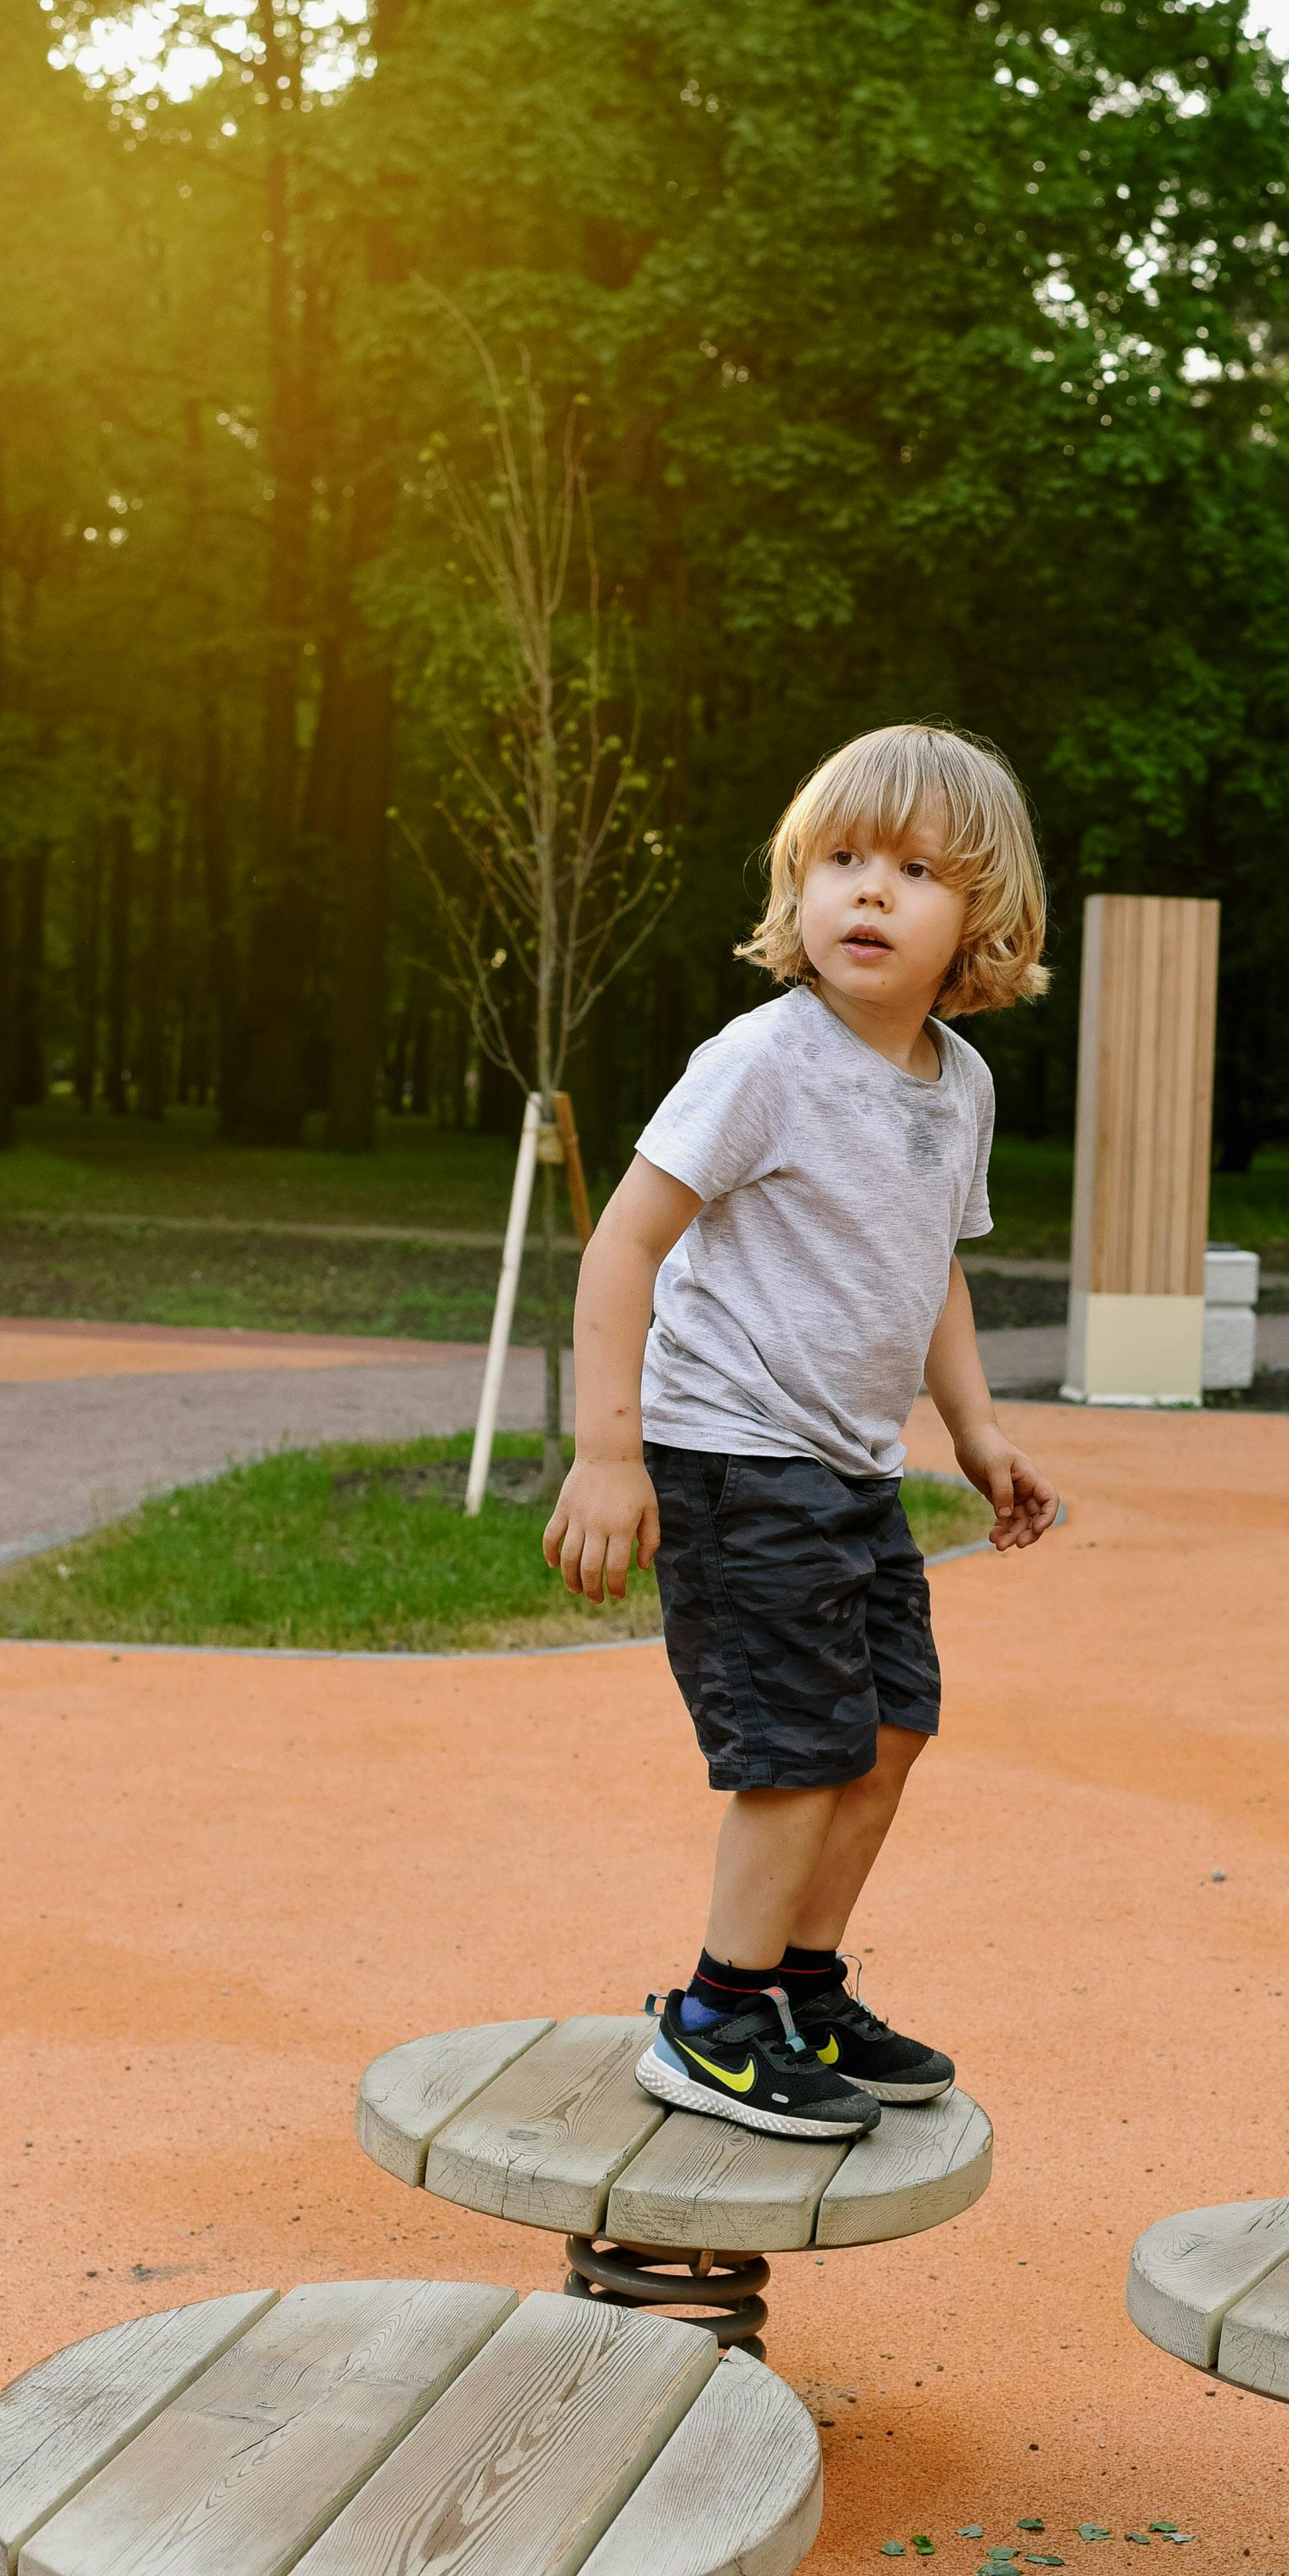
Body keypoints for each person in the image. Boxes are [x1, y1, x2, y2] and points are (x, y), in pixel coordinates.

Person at [544, 722, 1059, 2140]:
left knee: (892, 1728)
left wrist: (977, 1429)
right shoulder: (763, 1059)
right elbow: (623, 1244)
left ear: (985, 916)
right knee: (802, 1749)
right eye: (841, 860)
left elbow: (932, 1266)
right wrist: (609, 1452)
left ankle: (799, 1987)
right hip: (731, 1454)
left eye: (916, 870)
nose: (870, 891)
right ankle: (712, 2019)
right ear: (798, 886)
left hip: (852, 1468)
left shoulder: (959, 1084)